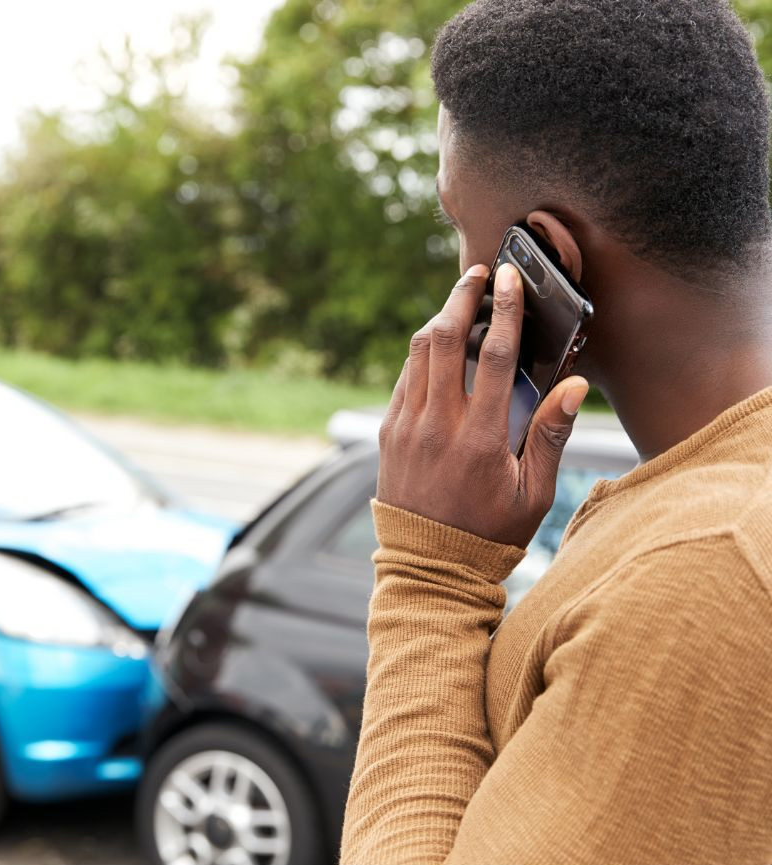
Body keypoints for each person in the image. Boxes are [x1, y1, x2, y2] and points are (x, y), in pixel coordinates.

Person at [340, 1, 772, 864]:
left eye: (458, 225)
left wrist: (432, 574)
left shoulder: (707, 569)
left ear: (542, 258)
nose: (459, 267)